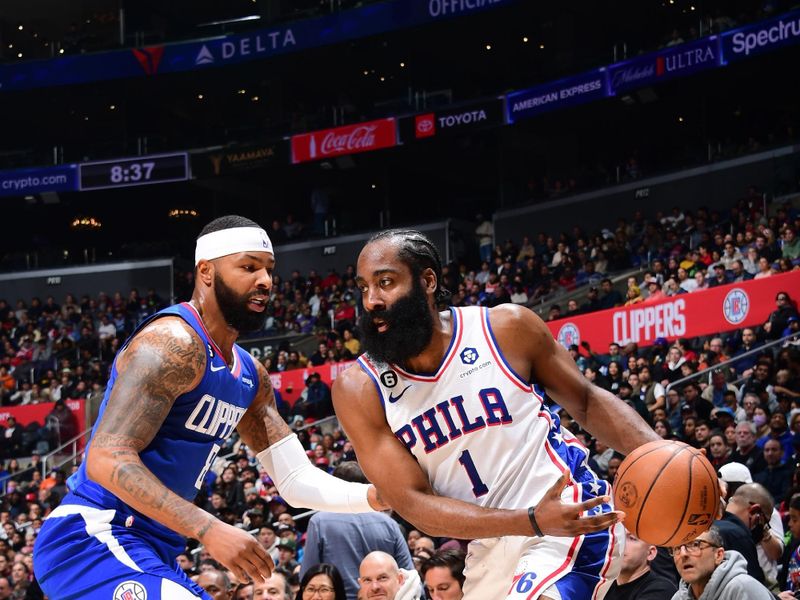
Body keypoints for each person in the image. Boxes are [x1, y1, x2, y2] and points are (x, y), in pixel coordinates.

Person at [33, 216, 385, 599]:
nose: (265, 280)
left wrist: (374, 496)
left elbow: (294, 478)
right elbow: (106, 458)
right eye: (249, 267)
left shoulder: (251, 376)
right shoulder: (172, 343)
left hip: (152, 547)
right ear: (206, 271)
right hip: (93, 536)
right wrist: (208, 528)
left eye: (269, 270)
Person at [334, 229, 661, 599]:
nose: (372, 300)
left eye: (386, 282)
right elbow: (414, 502)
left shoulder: (504, 328)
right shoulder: (360, 388)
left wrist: (665, 453)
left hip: (568, 517)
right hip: (489, 545)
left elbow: (585, 400)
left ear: (427, 281)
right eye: (363, 288)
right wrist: (528, 522)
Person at [300, 462, 413, 599]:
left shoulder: (319, 521)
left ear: (335, 486)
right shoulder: (390, 524)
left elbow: (308, 576)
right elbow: (409, 574)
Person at [670, 526, 772, 599]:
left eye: (695, 544)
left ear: (718, 555)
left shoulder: (743, 588)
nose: (683, 554)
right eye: (677, 548)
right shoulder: (678, 597)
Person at [606, 529, 677, 599]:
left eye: (632, 538)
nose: (620, 544)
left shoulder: (661, 589)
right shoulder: (604, 588)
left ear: (650, 553)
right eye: (619, 537)